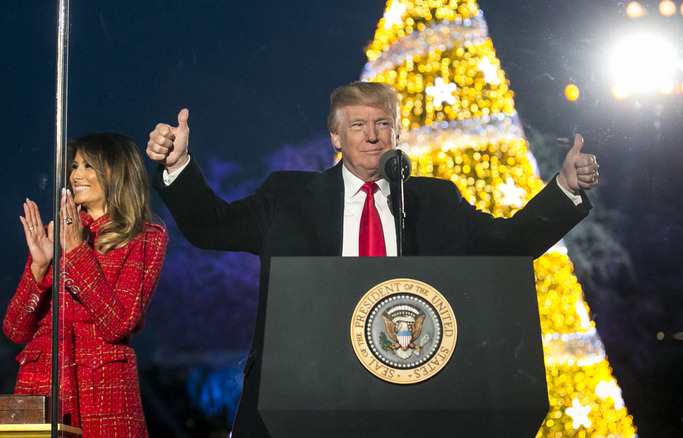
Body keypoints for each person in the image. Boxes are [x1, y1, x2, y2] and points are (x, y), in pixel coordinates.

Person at [146, 81, 599, 435]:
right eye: (358, 125)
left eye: (383, 124)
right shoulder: (288, 196)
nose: (372, 135)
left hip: (408, 396)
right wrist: (178, 166)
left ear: (397, 133)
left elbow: (506, 247)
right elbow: (212, 226)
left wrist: (564, 190)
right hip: (299, 392)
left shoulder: (434, 201)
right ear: (336, 137)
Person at [3, 133, 168, 438]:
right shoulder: (59, 233)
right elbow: (15, 330)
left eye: (88, 166)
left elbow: (118, 325)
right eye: (75, 165)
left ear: (116, 172)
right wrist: (39, 265)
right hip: (40, 390)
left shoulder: (144, 237)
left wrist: (77, 251)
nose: (75, 174)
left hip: (103, 398)